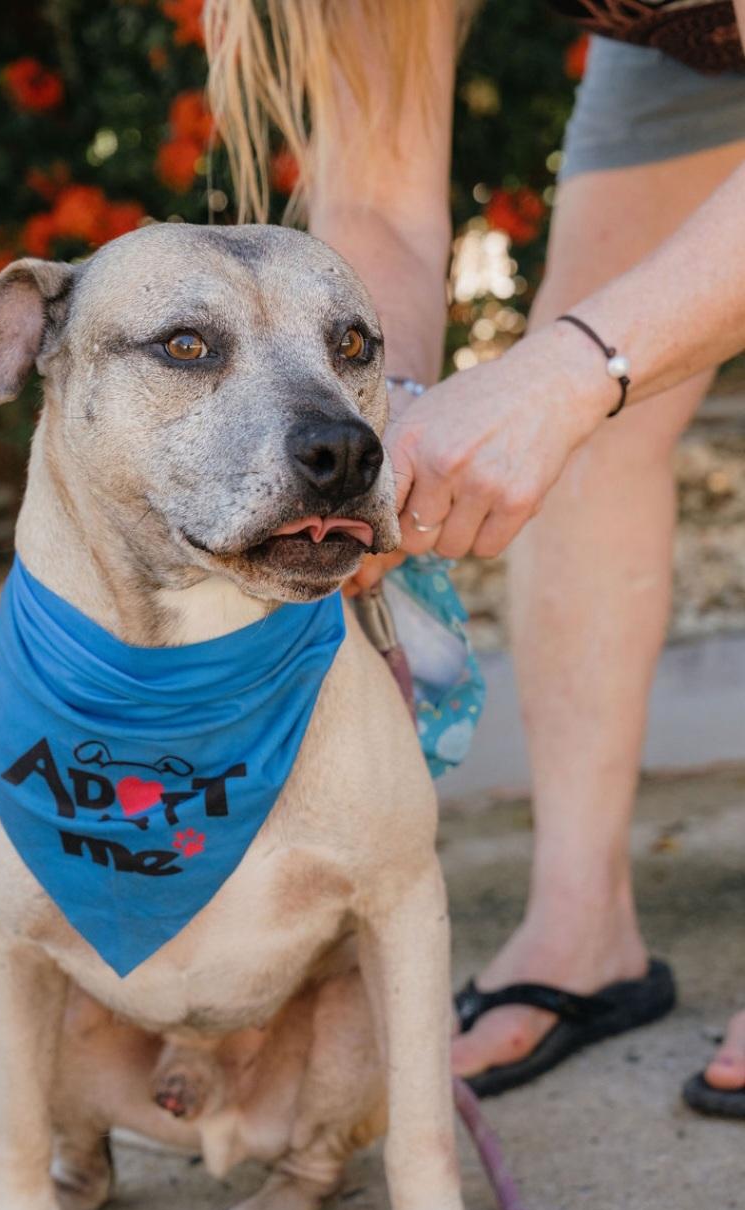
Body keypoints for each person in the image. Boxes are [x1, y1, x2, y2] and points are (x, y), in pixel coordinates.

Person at [205, 0, 745, 1117]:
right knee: (593, 440)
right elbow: (377, 205)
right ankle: (581, 928)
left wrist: (567, 373)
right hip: (683, 38)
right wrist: (384, 424)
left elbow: (582, 368)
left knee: (585, 376)